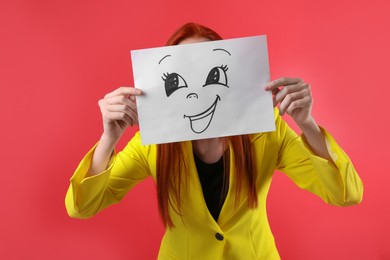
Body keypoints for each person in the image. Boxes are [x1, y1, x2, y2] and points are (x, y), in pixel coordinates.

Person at [65, 23, 363, 260]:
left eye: (211, 73)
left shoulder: (268, 130)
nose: (196, 93)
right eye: (178, 80)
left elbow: (345, 194)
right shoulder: (152, 143)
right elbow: (81, 207)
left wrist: (306, 124)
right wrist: (108, 139)